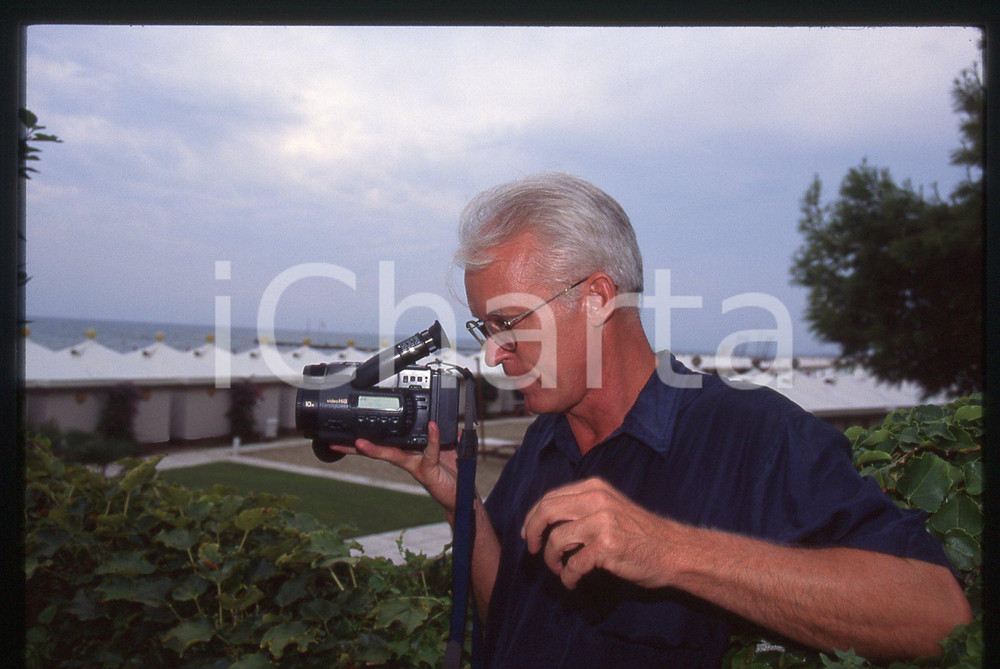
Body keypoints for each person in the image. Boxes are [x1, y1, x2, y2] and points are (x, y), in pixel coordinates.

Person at [326, 172, 971, 668]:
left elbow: (934, 613)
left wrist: (670, 550)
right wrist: (461, 500)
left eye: (508, 322)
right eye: (484, 327)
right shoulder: (547, 439)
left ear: (599, 296)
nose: (493, 352)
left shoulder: (747, 433)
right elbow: (513, 618)